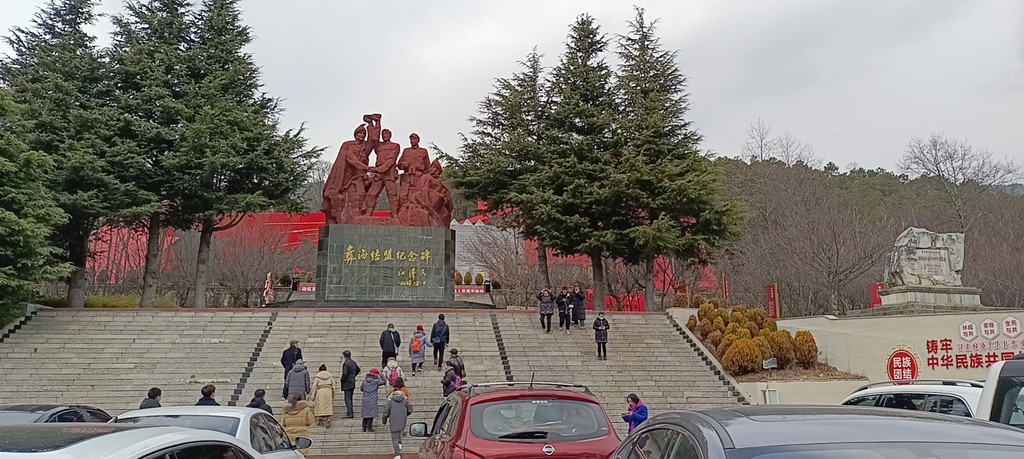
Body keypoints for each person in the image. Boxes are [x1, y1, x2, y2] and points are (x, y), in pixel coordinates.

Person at [382, 390, 413, 459]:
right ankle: (399, 443)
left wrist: (384, 420)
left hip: (393, 420)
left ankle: (397, 454)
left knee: (394, 437)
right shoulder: (405, 402)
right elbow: (410, 409)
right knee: (399, 431)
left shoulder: (390, 402)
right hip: (402, 420)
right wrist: (405, 415)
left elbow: (385, 412)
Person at [361, 368, 387, 432]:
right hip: (372, 399)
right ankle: (368, 427)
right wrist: (381, 375)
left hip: (365, 399)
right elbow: (384, 381)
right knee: (371, 413)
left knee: (365, 413)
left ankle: (364, 427)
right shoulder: (376, 381)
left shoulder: (364, 381)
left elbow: (361, 389)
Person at [341, 350, 361, 418]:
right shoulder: (353, 362)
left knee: (347, 399)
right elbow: (358, 370)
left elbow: (345, 373)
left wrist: (342, 379)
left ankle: (349, 413)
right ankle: (350, 412)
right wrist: (353, 376)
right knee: (350, 398)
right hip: (352, 382)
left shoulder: (346, 363)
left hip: (347, 383)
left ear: (344, 356)